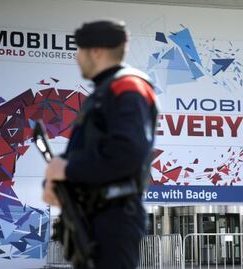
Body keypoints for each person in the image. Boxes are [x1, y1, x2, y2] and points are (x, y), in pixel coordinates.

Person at [43, 19, 158, 269]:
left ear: (96, 51)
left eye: (80, 50)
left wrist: (67, 170)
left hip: (114, 216)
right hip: (94, 215)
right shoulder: (105, 91)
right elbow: (90, 151)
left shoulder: (128, 88)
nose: (76, 57)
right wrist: (58, 182)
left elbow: (127, 154)